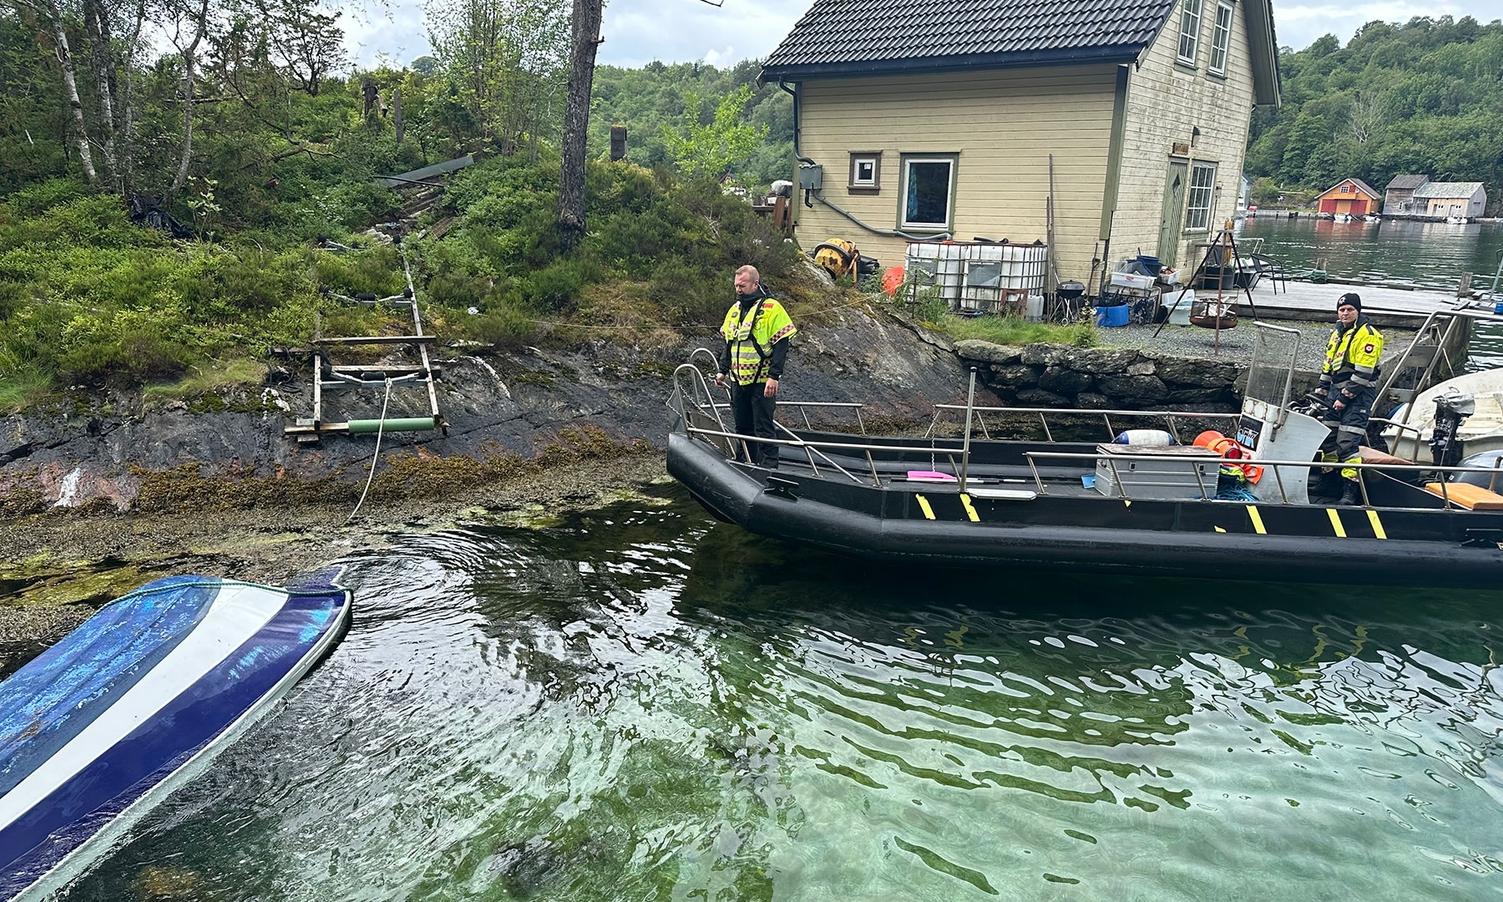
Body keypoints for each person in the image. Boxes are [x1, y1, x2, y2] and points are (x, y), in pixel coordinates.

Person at [715, 265, 797, 468]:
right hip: (737, 379)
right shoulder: (734, 310)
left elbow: (782, 344)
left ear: (755, 284)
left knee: (763, 426)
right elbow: (729, 344)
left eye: (742, 285)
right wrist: (722, 370)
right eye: (736, 286)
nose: (738, 289)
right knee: (742, 425)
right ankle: (744, 461)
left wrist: (774, 376)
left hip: (761, 381)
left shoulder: (772, 308)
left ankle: (769, 466)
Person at [1313, 292, 1384, 505]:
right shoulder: (1337, 333)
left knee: (1347, 443)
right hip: (1336, 390)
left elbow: (1363, 373)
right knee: (1328, 439)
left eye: (1349, 309)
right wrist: (1322, 387)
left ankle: (1349, 491)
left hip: (1358, 396)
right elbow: (1330, 363)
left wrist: (1344, 398)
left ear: (1358, 311)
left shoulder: (1368, 335)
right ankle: (1328, 481)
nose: (1345, 313)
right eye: (1342, 309)